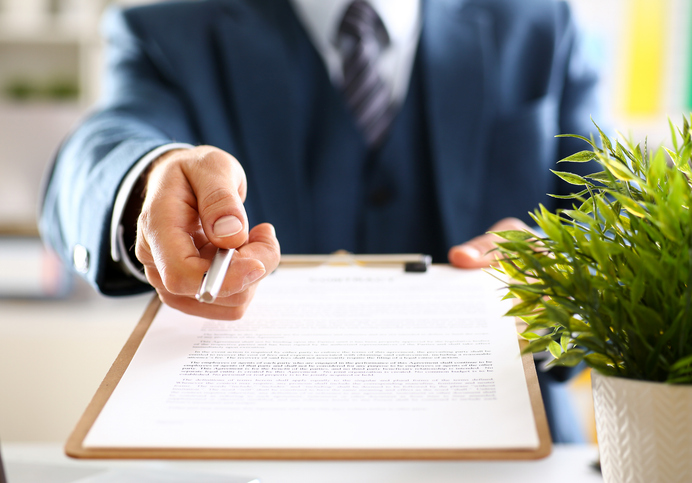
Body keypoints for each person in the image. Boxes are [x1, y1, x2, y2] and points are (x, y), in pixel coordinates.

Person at [40, 0, 601, 442]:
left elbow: (612, 228)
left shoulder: (544, 23)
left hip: (512, 453)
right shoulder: (165, 35)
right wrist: (147, 177)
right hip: (242, 450)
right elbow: (96, 152)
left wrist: (561, 273)